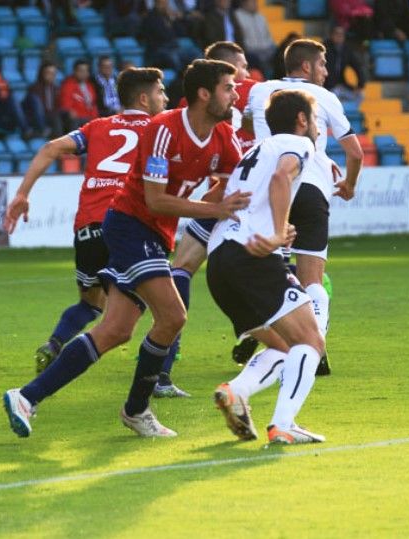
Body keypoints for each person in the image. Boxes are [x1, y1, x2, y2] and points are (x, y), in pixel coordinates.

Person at [3, 59, 249, 439]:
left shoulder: (224, 137)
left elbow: (237, 182)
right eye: (229, 87)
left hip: (153, 235)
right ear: (204, 94)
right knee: (172, 316)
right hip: (130, 225)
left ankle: (26, 396)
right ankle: (136, 410)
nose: (236, 94)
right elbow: (155, 201)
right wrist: (214, 209)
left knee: (115, 330)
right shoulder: (163, 129)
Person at [3, 67, 168, 373]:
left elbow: (50, 148)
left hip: (89, 228)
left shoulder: (98, 126)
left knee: (91, 303)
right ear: (144, 99)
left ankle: (53, 344)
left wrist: (22, 194)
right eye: (161, 92)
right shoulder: (161, 129)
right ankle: (159, 377)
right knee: (164, 308)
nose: (166, 98)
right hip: (127, 226)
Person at [209, 89, 327, 444]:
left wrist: (280, 228)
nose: (318, 128)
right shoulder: (299, 144)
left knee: (284, 345)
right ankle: (284, 425)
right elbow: (281, 179)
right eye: (316, 120)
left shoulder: (255, 149)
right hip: (252, 256)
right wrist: (277, 234)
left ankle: (237, 392)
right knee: (310, 340)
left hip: (220, 259)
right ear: (302, 120)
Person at [243, 38, 363, 376]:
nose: (326, 72)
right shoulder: (323, 96)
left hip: (267, 192)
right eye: (323, 65)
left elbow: (241, 126)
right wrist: (349, 185)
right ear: (307, 66)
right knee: (313, 281)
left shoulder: (259, 91)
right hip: (310, 187)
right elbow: (355, 152)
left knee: (271, 274)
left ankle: (266, 333)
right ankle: (315, 346)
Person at [156, 40, 258, 398]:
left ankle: (265, 333)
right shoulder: (213, 107)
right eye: (241, 66)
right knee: (182, 268)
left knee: (187, 267)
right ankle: (252, 331)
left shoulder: (251, 99)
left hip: (241, 200)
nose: (246, 74)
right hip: (228, 201)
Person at [323, 25, 366, 103]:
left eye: (341, 34)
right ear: (331, 35)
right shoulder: (324, 49)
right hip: (327, 86)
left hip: (341, 85)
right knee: (334, 95)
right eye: (337, 34)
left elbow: (357, 66)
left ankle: (348, 113)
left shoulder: (346, 50)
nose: (339, 36)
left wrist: (360, 85)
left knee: (360, 95)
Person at [233, 0, 275, 76]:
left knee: (280, 56)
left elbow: (269, 37)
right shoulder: (237, 16)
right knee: (256, 59)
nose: (256, 4)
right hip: (250, 50)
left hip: (267, 50)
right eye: (253, 2)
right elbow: (240, 39)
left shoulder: (261, 17)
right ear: (244, 3)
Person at [22, 62, 62, 138]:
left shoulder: (56, 88)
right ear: (42, 74)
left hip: (52, 116)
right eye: (48, 73)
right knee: (56, 119)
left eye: (53, 73)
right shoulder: (34, 88)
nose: (51, 76)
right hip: (38, 118)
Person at [58, 59, 99, 131]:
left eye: (86, 71)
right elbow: (66, 104)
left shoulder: (90, 86)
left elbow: (93, 104)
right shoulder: (68, 85)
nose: (84, 73)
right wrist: (70, 110)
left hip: (90, 117)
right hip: (78, 118)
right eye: (81, 71)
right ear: (75, 71)